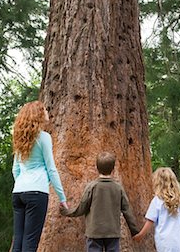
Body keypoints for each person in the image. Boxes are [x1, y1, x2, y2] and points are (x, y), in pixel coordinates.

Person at [11, 101, 68, 252]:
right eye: (45, 110)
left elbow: (15, 169)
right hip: (36, 193)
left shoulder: (19, 137)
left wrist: (23, 185)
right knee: (30, 242)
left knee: (18, 241)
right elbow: (51, 169)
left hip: (18, 193)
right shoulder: (44, 137)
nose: (47, 112)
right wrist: (62, 198)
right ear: (39, 115)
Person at [60, 151, 139, 252]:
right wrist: (134, 231)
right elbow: (127, 211)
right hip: (112, 232)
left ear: (97, 168)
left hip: (94, 232)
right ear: (113, 169)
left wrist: (66, 211)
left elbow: (81, 209)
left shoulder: (91, 187)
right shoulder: (118, 188)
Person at [133, 167, 180, 251]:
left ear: (157, 183)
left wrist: (140, 235)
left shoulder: (157, 201)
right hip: (178, 243)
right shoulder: (179, 200)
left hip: (164, 243)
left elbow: (150, 221)